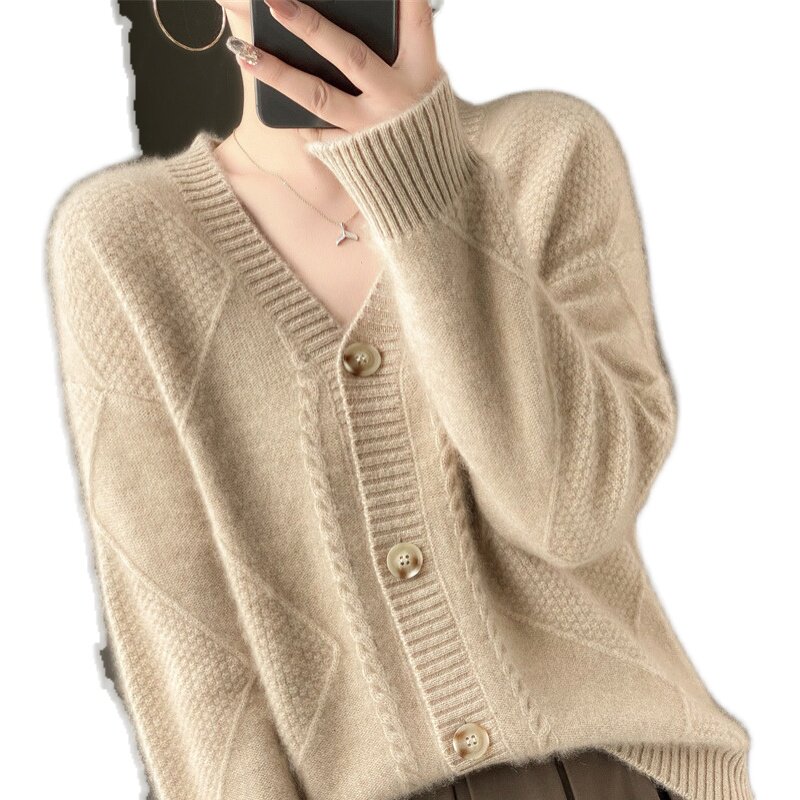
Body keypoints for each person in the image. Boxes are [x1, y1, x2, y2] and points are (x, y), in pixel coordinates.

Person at [44, 1, 754, 799]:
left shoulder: (545, 152)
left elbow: (573, 513)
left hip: (608, 776)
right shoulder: (123, 240)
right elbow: (193, 667)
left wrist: (423, 184)